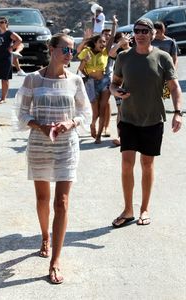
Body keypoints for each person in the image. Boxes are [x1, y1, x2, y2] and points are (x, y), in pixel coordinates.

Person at [14, 33, 91, 284]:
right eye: (66, 50)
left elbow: (84, 112)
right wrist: (41, 126)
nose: (70, 55)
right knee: (43, 198)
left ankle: (55, 260)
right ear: (52, 49)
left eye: (72, 51)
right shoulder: (33, 79)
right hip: (39, 143)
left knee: (62, 202)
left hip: (67, 145)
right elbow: (22, 113)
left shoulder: (76, 81)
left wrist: (70, 123)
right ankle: (45, 236)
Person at [110, 18, 182, 227]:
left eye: (144, 31)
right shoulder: (123, 57)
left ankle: (144, 209)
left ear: (152, 33)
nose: (140, 34)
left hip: (152, 118)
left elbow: (174, 87)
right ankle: (128, 209)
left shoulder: (162, 57)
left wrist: (178, 112)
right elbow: (113, 84)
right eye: (137, 30)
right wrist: (117, 92)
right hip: (128, 118)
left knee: (147, 164)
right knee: (126, 164)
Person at [78, 16, 117, 144]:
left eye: (104, 42)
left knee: (102, 108)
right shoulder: (86, 51)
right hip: (91, 83)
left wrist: (114, 24)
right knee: (94, 112)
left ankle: (99, 135)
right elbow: (81, 68)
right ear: (94, 43)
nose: (103, 44)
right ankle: (92, 125)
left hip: (104, 82)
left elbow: (111, 38)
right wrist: (87, 70)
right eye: (100, 42)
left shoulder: (105, 52)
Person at [0, 16, 22, 104]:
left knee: (4, 79)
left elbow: (19, 40)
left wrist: (12, 47)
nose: (0, 24)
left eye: (2, 22)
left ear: (6, 24)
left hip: (5, 58)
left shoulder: (9, 33)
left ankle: (3, 98)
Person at [109, 32, 132, 146]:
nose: (124, 39)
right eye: (120, 38)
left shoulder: (136, 50)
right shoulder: (118, 52)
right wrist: (119, 44)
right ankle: (121, 136)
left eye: (125, 37)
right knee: (120, 111)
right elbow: (110, 53)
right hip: (119, 85)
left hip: (133, 86)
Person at [152, 21, 179, 99]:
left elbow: (175, 58)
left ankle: (163, 106)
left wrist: (174, 70)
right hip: (154, 69)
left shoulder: (170, 42)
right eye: (154, 31)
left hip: (166, 69)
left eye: (158, 31)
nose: (156, 34)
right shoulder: (150, 41)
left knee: (165, 94)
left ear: (162, 30)